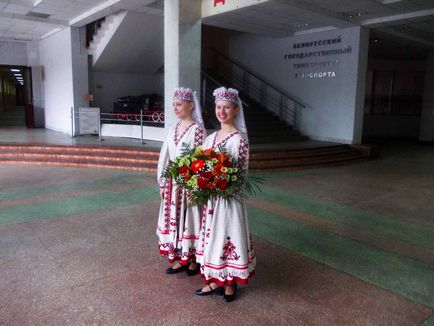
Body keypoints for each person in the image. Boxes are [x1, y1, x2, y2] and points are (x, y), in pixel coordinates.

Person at [195, 87, 256, 302]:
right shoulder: (210, 139)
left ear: (236, 110)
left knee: (227, 236)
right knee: (212, 238)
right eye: (219, 107)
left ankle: (230, 283)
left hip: (229, 200)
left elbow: (240, 175)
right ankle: (213, 280)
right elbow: (199, 167)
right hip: (211, 200)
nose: (222, 111)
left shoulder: (239, 141)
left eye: (227, 107)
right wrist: (200, 182)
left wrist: (220, 183)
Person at [156, 87, 205, 275]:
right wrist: (162, 181)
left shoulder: (197, 130)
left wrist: (195, 187)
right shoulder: (173, 128)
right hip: (172, 182)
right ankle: (180, 257)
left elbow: (200, 160)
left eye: (179, 105)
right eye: (174, 105)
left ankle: (192, 259)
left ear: (191, 105)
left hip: (188, 182)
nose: (175, 108)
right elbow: (164, 155)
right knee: (175, 220)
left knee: (190, 220)